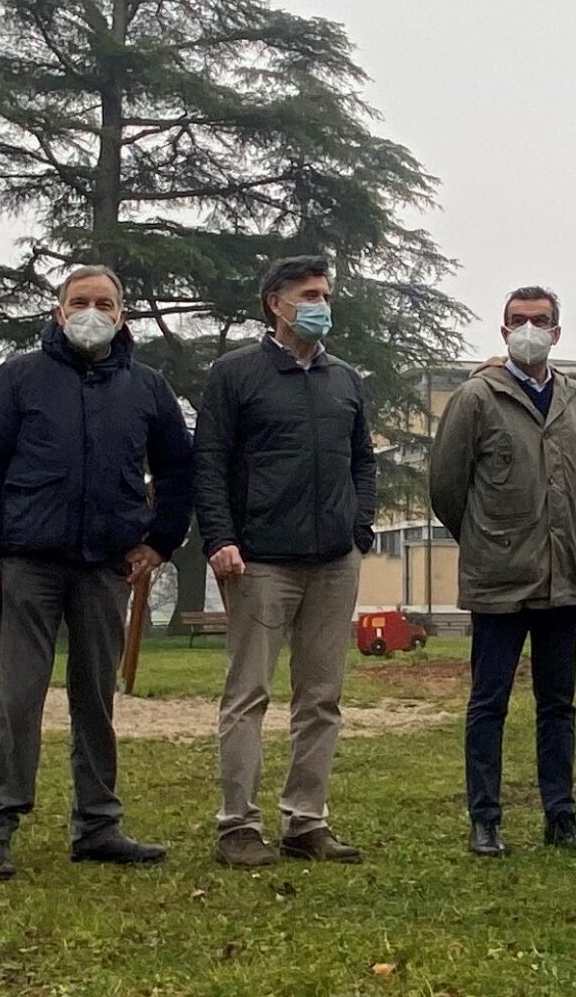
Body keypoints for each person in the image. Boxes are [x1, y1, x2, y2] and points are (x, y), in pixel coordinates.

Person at [0, 264, 196, 880]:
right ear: (59, 311)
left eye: (105, 302)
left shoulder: (148, 389)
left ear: (123, 316)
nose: (92, 311)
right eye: (80, 301)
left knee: (97, 698)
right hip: (27, 562)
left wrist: (161, 541)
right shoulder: (17, 379)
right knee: (18, 697)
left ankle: (98, 825)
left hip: (105, 567)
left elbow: (178, 469)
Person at [197, 255, 378, 868]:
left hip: (334, 562)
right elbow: (211, 462)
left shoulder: (345, 380)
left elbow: (363, 462)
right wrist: (219, 537)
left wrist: (359, 531)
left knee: (321, 696)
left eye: (325, 292)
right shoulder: (234, 374)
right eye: (309, 293)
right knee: (248, 693)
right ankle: (237, 827)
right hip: (259, 563)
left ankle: (306, 822)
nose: (321, 302)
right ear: (276, 302)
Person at [428, 287, 576, 857]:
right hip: (499, 579)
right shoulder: (477, 397)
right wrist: (484, 539)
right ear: (503, 333)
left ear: (557, 330)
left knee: (559, 704)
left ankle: (561, 816)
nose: (531, 328)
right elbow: (447, 489)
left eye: (541, 320)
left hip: (564, 576)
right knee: (489, 702)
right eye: (519, 320)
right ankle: (486, 819)